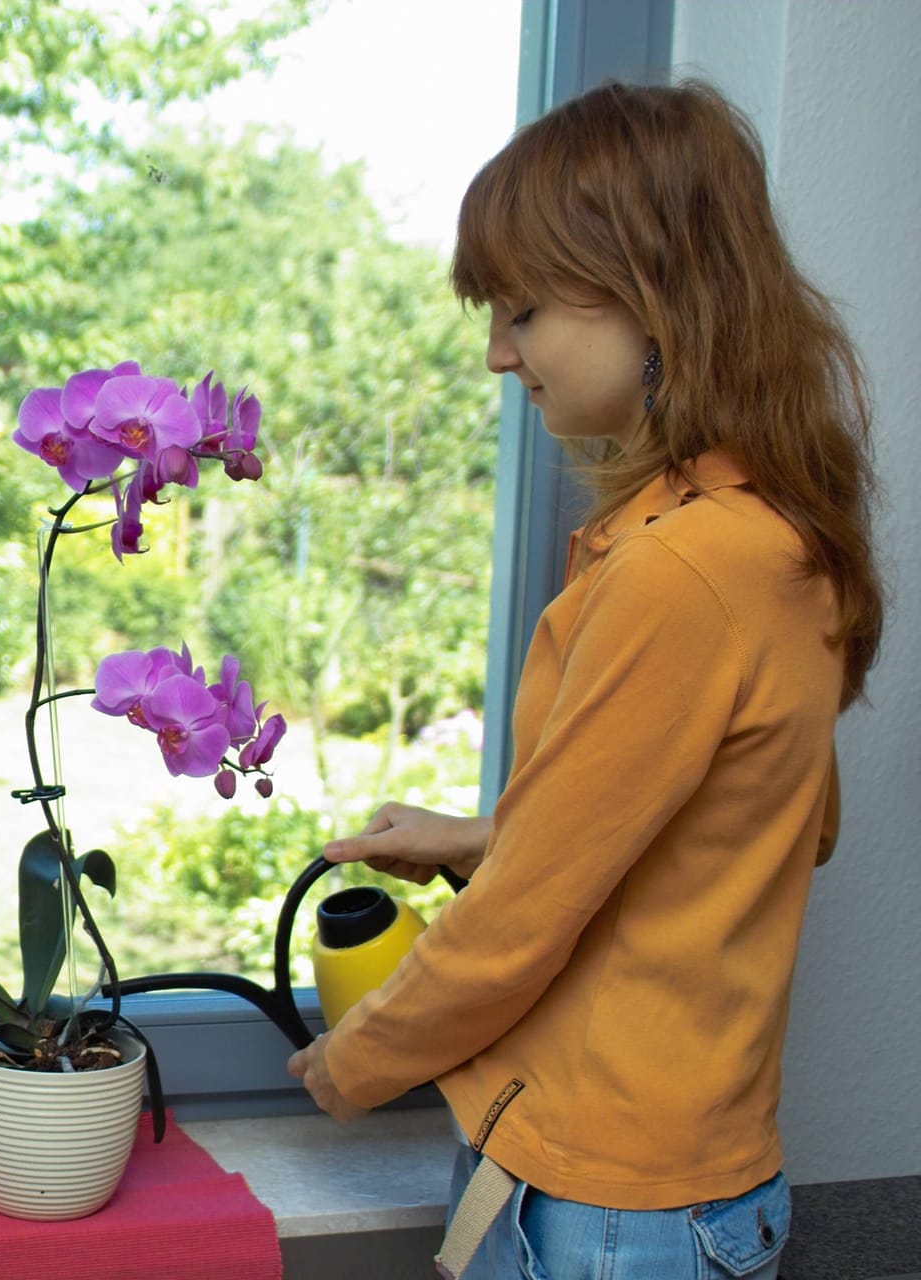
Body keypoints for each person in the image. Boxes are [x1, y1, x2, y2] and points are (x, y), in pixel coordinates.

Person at [284, 79, 884, 1279]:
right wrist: (480, 830)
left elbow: (522, 925)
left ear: (652, 293)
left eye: (524, 308)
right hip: (687, 1174)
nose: (501, 352)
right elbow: (759, 825)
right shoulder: (772, 536)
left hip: (611, 1213)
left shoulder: (685, 570)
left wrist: (345, 1061)